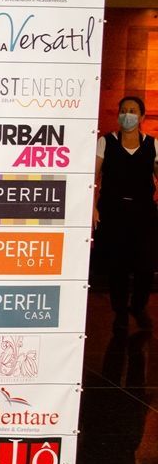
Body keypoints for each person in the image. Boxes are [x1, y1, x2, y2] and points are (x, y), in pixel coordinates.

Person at [93, 95, 158, 332]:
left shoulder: (153, 144)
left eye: (132, 110)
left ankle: (139, 307)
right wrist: (93, 206)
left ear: (141, 117)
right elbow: (93, 177)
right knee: (118, 263)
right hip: (113, 209)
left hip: (144, 211)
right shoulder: (106, 142)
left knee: (145, 263)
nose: (127, 114)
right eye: (123, 110)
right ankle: (120, 310)